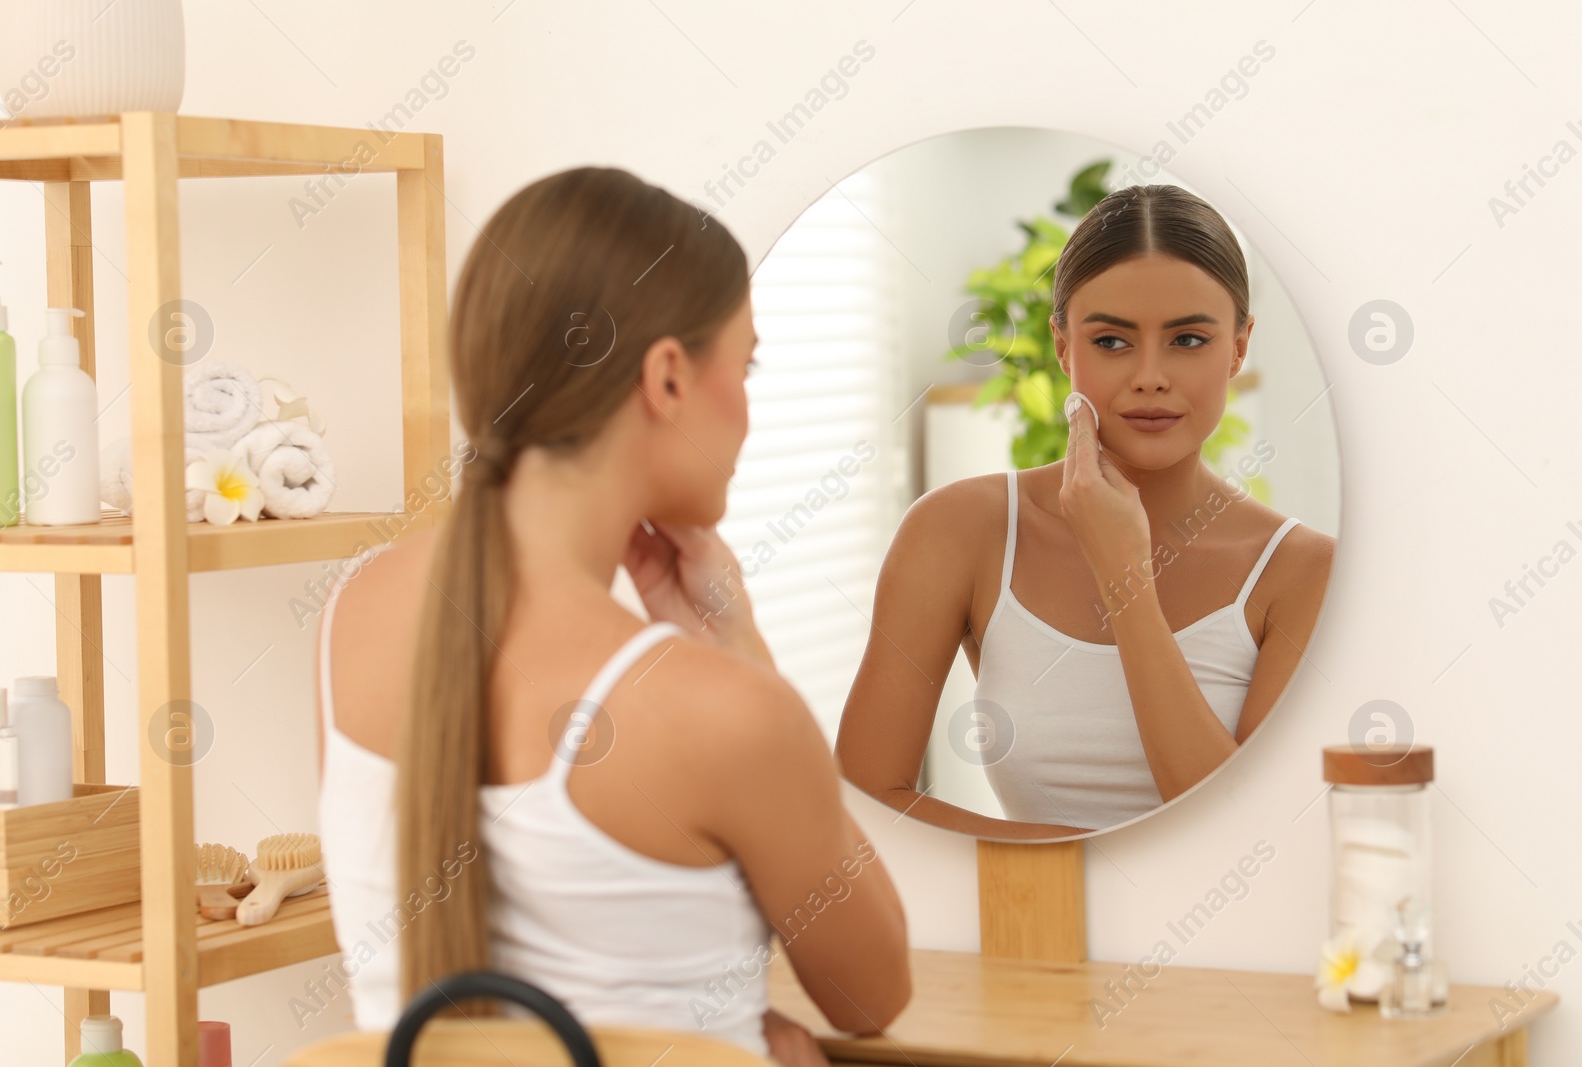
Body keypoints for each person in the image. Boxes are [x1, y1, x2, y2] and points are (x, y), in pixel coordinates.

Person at [314, 165, 911, 1066]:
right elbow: (873, 995)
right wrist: (747, 657)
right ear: (667, 377)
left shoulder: (351, 612)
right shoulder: (721, 711)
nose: (747, 408)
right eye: (742, 364)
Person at [836, 183, 1335, 839]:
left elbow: (1237, 838)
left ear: (1239, 347)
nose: (1150, 375)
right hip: (1026, 935)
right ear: (1064, 346)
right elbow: (864, 796)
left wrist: (1123, 574)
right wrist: (1074, 867)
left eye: (1188, 339)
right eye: (1111, 341)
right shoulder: (962, 530)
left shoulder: (1301, 571)